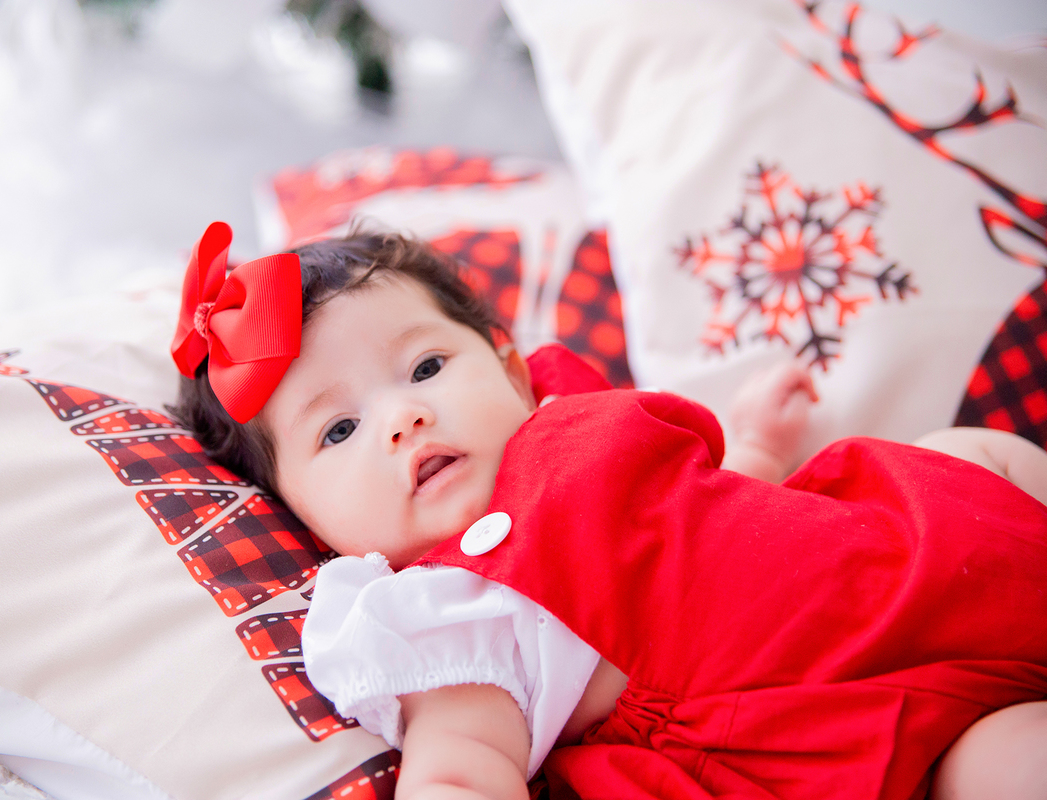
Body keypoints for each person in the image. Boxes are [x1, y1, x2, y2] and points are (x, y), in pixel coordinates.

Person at [170, 222, 1047, 800]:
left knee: (973, 453)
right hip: (845, 716)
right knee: (1009, 768)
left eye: (427, 368)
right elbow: (463, 770)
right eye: (342, 429)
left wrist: (758, 449)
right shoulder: (456, 614)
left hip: (886, 554)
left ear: (510, 367)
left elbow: (702, 512)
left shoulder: (565, 421)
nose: (403, 418)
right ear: (310, 522)